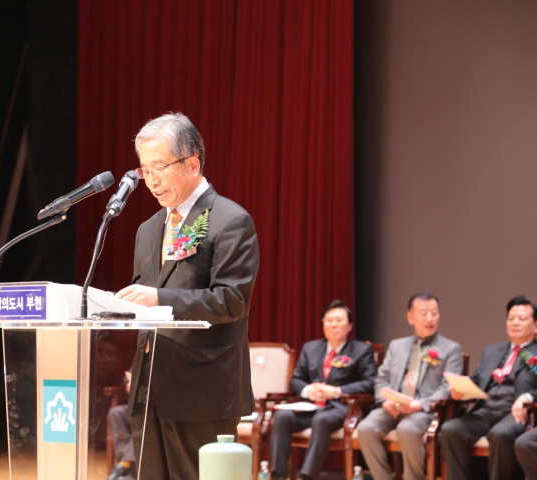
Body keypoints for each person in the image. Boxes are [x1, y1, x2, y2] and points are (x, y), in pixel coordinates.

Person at [115, 112, 259, 479]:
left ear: (192, 164)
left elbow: (231, 301)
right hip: (150, 388)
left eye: (160, 167)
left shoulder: (229, 220)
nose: (151, 180)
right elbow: (144, 302)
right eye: (145, 170)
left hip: (202, 390)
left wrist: (159, 298)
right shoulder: (148, 230)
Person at [356, 292, 463, 480]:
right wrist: (385, 401)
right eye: (424, 313)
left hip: (424, 410)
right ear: (410, 317)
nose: (430, 318)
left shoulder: (451, 348)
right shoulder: (397, 345)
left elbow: (447, 387)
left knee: (407, 429)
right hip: (394, 406)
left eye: (434, 313)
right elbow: (381, 378)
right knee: (366, 428)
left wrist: (418, 405)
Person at [269, 300, 377, 480]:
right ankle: (278, 476)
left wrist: (336, 391)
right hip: (311, 406)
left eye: (339, 320)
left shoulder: (361, 350)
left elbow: (370, 382)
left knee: (322, 419)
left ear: (350, 325)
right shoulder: (311, 348)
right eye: (329, 320)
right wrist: (308, 390)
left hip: (341, 408)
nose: (334, 325)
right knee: (282, 417)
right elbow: (295, 380)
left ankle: (307, 477)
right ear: (323, 324)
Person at [440, 295, 537, 480]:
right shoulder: (492, 350)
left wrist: (528, 396)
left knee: (500, 434)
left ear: (536, 325)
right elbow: (477, 380)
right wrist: (460, 390)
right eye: (511, 318)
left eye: (522, 318)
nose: (515, 322)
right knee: (451, 429)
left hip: (514, 413)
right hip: (485, 410)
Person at [106, 370, 136, 480]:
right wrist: (130, 383)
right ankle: (126, 463)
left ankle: (125, 467)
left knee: (145, 421)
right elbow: (126, 377)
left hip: (154, 411)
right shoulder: (142, 359)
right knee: (116, 413)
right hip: (137, 408)